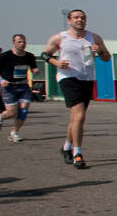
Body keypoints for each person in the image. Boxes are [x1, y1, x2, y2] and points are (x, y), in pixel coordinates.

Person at [43, 10, 110, 169]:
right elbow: (45, 54)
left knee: (76, 118)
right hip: (68, 78)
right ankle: (77, 153)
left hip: (86, 78)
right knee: (79, 115)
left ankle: (66, 147)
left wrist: (99, 51)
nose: (80, 20)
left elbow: (107, 57)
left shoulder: (94, 37)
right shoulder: (60, 38)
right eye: (76, 17)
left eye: (83, 18)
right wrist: (56, 63)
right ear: (69, 20)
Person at [0, 34, 39, 142]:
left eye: (24, 42)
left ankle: (13, 133)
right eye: (19, 42)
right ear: (13, 43)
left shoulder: (29, 56)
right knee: (11, 112)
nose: (22, 44)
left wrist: (35, 71)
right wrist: (0, 80)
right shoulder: (4, 56)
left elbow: (33, 67)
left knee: (23, 111)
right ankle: (0, 117)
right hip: (9, 86)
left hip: (23, 86)